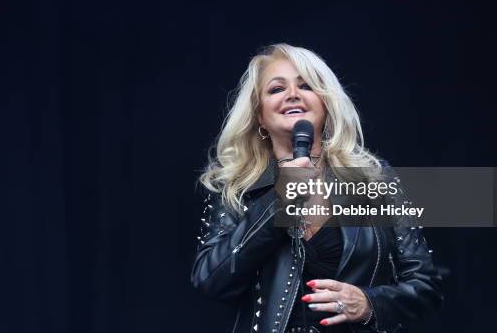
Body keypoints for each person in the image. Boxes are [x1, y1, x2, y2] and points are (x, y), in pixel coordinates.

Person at [190, 43, 443, 333]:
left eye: (306, 85)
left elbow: (426, 286)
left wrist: (369, 303)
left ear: (325, 102)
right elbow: (210, 281)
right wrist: (277, 202)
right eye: (276, 89)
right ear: (259, 115)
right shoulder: (235, 186)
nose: (292, 95)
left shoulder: (375, 179)